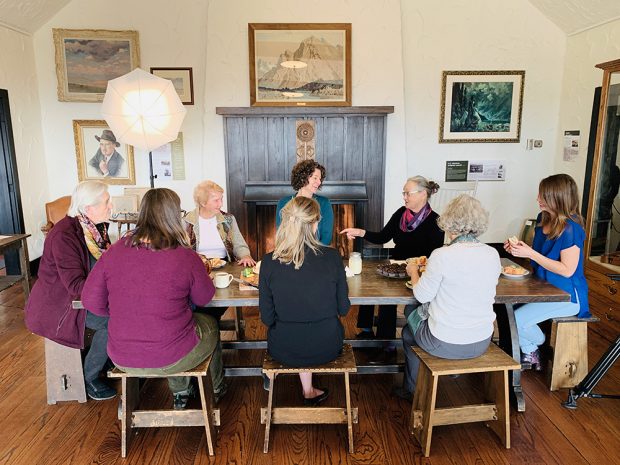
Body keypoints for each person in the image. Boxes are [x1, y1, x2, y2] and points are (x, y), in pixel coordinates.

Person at [82, 188, 227, 410]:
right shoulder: (184, 255)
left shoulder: (115, 251)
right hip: (171, 355)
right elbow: (204, 297)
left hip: (122, 356)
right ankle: (216, 389)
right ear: (173, 216)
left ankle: (181, 392)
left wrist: (128, 310)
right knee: (210, 325)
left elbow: (91, 302)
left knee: (176, 330)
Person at [393, 194, 501, 401]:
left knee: (408, 332)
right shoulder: (492, 254)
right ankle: (454, 369)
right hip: (482, 340)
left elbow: (422, 295)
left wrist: (413, 271)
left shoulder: (442, 255)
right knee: (413, 314)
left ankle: (411, 390)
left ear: (450, 223)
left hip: (443, 341)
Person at [24, 180, 116, 401]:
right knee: (111, 323)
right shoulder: (65, 235)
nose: (111, 206)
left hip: (81, 298)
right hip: (60, 306)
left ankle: (114, 360)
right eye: (106, 202)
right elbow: (75, 286)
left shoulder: (94, 228)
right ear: (88, 209)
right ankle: (88, 377)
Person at [340, 176, 445, 358]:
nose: (404, 197)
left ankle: (386, 344)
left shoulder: (436, 222)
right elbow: (383, 237)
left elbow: (434, 256)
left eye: (407, 193)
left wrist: (415, 266)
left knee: (387, 300)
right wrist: (359, 232)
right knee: (372, 284)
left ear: (422, 194)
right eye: (403, 193)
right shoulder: (400, 214)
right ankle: (366, 331)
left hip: (419, 272)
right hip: (395, 266)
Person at [260, 196, 350, 405]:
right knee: (311, 330)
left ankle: (306, 388)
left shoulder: (268, 261)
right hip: (327, 344)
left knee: (296, 332)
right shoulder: (332, 257)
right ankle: (307, 390)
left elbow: (267, 317)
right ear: (315, 224)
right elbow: (343, 309)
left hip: (284, 346)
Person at [505, 174, 590, 370]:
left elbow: (567, 271)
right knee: (505, 312)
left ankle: (533, 347)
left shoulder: (572, 229)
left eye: (543, 196)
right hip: (542, 287)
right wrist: (518, 248)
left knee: (516, 320)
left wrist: (531, 254)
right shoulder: (542, 218)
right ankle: (528, 348)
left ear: (557, 198)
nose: (537, 199)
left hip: (566, 295)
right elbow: (540, 256)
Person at [185, 180, 256, 319]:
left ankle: (207, 326)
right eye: (216, 200)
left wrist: (245, 255)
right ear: (203, 203)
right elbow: (181, 250)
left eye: (221, 199)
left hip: (225, 267)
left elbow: (238, 243)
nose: (221, 204)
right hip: (197, 268)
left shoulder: (228, 219)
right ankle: (209, 326)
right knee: (201, 298)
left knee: (216, 300)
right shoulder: (187, 221)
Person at [276, 159, 333, 246]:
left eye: (320, 179)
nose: (319, 182)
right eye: (315, 178)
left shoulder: (324, 203)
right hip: (290, 253)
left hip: (316, 254)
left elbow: (326, 236)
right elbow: (281, 234)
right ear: (303, 177)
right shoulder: (283, 203)